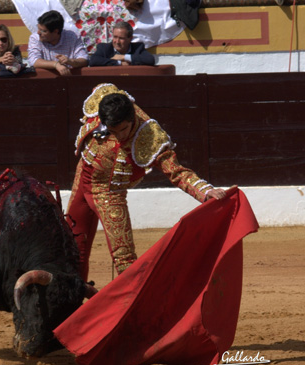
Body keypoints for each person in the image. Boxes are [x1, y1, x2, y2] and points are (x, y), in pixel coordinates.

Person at [66, 83, 227, 282]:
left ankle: (135, 309)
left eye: (123, 130)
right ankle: (71, 303)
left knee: (124, 260)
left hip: (109, 193)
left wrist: (205, 190)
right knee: (72, 249)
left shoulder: (149, 136)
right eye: (112, 130)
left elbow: (176, 171)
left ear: (131, 119)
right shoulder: (105, 98)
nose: (118, 136)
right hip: (82, 179)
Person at [27, 10, 88, 76]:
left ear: (56, 31)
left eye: (43, 31)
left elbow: (84, 60)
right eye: (38, 28)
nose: (38, 33)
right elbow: (33, 61)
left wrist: (71, 62)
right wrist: (55, 64)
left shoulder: (72, 37)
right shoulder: (35, 38)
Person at [89, 21, 155, 67]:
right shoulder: (104, 48)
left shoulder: (138, 48)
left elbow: (150, 60)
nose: (117, 41)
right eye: (115, 37)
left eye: (121, 38)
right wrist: (119, 63)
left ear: (130, 38)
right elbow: (93, 60)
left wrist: (124, 57)